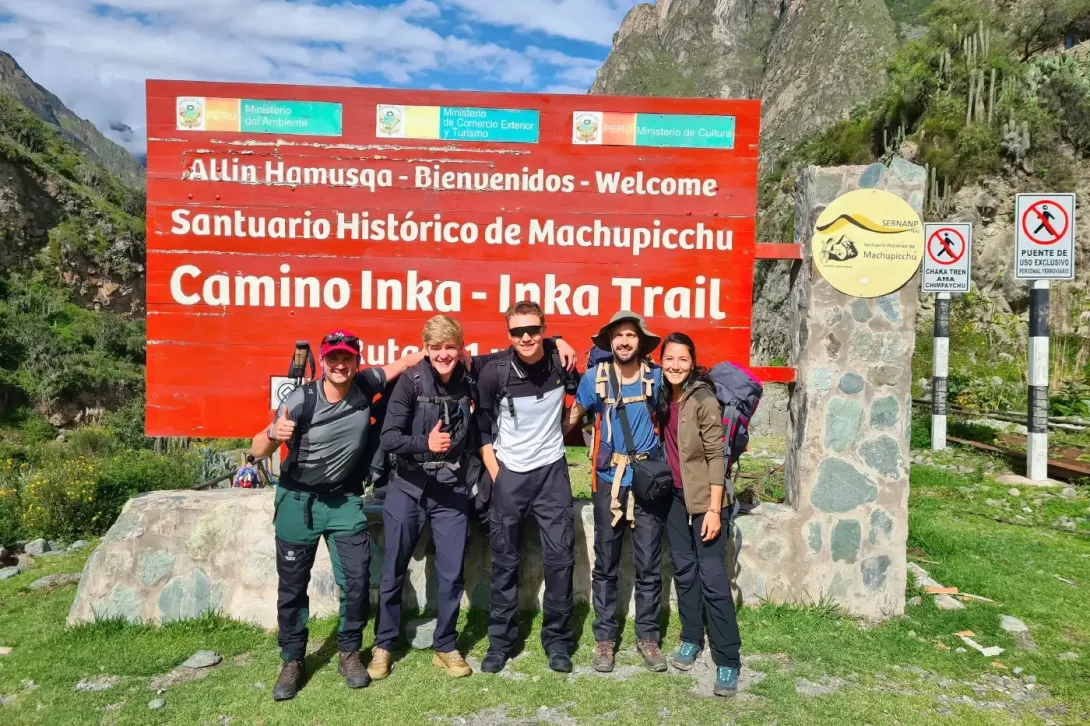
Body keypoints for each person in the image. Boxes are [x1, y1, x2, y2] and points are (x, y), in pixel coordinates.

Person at [251, 330, 425, 701]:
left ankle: (348, 653)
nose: (340, 365)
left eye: (347, 358)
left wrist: (431, 353)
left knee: (358, 580)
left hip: (344, 500)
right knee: (293, 586)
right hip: (298, 500)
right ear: (323, 362)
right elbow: (257, 447)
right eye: (333, 359)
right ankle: (292, 659)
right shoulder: (301, 400)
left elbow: (404, 364)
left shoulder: (366, 383)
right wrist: (273, 432)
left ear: (357, 361)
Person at [368, 315, 481, 681]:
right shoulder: (411, 381)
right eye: (436, 348)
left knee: (451, 573)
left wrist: (557, 341)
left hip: (451, 486)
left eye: (451, 347)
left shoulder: (469, 379)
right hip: (408, 485)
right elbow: (389, 437)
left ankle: (445, 645)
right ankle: (384, 644)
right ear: (426, 349)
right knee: (393, 570)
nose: (444, 354)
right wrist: (425, 444)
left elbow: (507, 356)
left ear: (460, 348)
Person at [476, 300, 580, 674]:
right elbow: (482, 426)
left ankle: (557, 642)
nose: (526, 337)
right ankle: (500, 644)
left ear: (544, 329)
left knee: (560, 560)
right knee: (504, 562)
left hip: (552, 473)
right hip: (510, 476)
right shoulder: (495, 373)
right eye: (518, 331)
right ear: (508, 335)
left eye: (533, 330)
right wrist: (496, 470)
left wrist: (563, 340)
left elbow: (589, 388)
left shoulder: (559, 361)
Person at [565, 310, 668, 674]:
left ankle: (648, 637)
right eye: (619, 335)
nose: (625, 341)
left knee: (648, 563)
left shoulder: (657, 378)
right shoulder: (596, 378)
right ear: (610, 341)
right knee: (605, 563)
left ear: (641, 341)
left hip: (646, 480)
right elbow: (573, 418)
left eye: (631, 335)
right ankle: (605, 638)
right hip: (608, 481)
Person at [657, 332, 742, 696]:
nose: (675, 366)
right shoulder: (663, 396)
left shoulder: (703, 399)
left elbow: (716, 456)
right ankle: (691, 637)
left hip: (705, 502)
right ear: (661, 363)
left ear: (692, 364)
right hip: (675, 500)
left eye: (683, 360)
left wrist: (713, 510)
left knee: (712, 578)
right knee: (686, 572)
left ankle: (727, 659)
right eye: (669, 359)